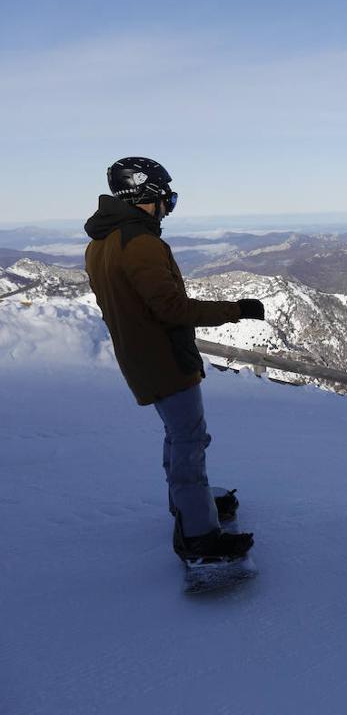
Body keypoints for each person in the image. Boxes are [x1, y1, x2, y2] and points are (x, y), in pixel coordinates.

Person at [84, 157, 267, 564]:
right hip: (164, 359)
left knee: (179, 435)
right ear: (147, 195)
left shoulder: (101, 243)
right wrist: (236, 309)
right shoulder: (140, 242)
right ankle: (200, 536)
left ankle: (189, 506)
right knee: (189, 441)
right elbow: (171, 308)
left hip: (142, 356)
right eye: (168, 197)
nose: (169, 206)